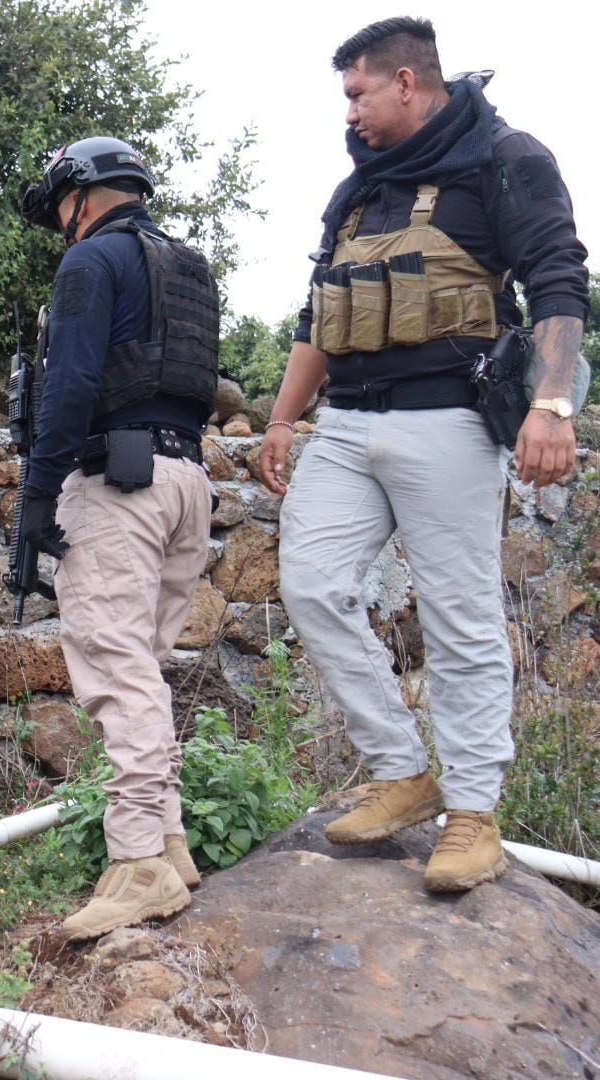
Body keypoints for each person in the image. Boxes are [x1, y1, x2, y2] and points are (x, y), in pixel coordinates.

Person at [260, 18, 588, 892]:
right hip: (348, 425)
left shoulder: (504, 159)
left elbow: (558, 280)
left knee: (460, 617)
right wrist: (283, 420)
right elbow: (320, 311)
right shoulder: (357, 190)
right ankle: (403, 772)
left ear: (407, 81)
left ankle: (473, 814)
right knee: (311, 584)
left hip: (448, 422)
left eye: (357, 92)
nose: (351, 112)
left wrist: (552, 404)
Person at [18, 137, 220, 941]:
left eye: (59, 209)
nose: (59, 226)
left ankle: (135, 861)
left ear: (80, 195)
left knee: (113, 669)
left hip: (117, 485)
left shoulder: (90, 263)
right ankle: (168, 845)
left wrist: (37, 496)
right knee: (145, 671)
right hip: (184, 485)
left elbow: (67, 384)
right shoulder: (184, 266)